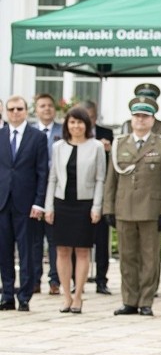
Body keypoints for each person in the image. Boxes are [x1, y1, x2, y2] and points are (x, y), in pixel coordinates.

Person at [103, 96, 161, 317]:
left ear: (153, 120)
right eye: (137, 116)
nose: (140, 120)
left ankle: (146, 300)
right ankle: (129, 300)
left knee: (149, 258)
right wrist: (108, 208)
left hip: (150, 210)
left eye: (145, 116)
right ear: (131, 119)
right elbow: (111, 180)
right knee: (127, 257)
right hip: (124, 208)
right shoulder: (119, 144)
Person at [44, 107, 106, 314]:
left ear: (86, 125)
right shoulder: (58, 147)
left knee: (82, 250)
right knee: (62, 250)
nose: (76, 126)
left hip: (85, 204)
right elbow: (52, 177)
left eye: (80, 122)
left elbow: (100, 179)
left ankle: (78, 295)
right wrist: (49, 206)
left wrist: (97, 206)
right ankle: (66, 297)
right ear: (66, 125)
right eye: (72, 122)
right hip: (62, 203)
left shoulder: (96, 146)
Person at [0, 96, 49, 312]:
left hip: (27, 204)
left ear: (26, 111)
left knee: (27, 251)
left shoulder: (37, 137)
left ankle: (25, 295)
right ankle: (7, 294)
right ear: (5, 112)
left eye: (19, 109)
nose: (15, 112)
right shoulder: (0, 135)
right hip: (2, 202)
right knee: (4, 251)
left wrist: (39, 202)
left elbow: (42, 172)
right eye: (11, 109)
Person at [31, 93, 63, 295]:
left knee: (54, 240)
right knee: (35, 240)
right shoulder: (31, 132)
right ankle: (34, 279)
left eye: (50, 105)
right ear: (36, 109)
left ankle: (55, 280)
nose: (47, 109)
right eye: (42, 106)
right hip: (33, 192)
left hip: (56, 190)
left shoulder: (62, 130)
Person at [82, 100, 114, 295]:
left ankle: (102, 280)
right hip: (79, 196)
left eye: (92, 117)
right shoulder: (74, 134)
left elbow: (114, 165)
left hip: (101, 194)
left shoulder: (106, 134)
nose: (89, 121)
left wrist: (109, 151)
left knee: (102, 242)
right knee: (80, 240)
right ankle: (78, 279)